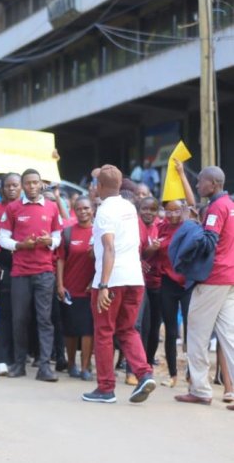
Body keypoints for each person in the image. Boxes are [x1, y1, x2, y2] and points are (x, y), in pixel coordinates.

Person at [83, 165, 156, 403]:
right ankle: (144, 374)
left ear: (101, 187)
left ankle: (106, 388)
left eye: (96, 184)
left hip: (111, 280)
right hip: (134, 278)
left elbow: (109, 247)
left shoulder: (104, 211)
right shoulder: (128, 206)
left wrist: (103, 285)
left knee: (104, 332)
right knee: (127, 329)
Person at [176, 166, 234, 408]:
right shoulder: (230, 204)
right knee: (230, 337)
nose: (198, 186)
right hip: (230, 278)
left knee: (197, 334)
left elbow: (209, 240)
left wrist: (190, 227)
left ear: (213, 184)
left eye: (200, 182)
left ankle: (200, 389)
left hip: (213, 278)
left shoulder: (217, 207)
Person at [0, 169, 62, 382]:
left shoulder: (52, 207)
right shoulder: (13, 208)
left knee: (44, 320)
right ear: (23, 185)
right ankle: (19, 364)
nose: (32, 186)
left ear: (41, 184)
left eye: (35, 183)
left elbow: (58, 237)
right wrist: (20, 245)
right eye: (28, 183)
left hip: (44, 272)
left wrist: (50, 242)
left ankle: (44, 367)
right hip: (20, 273)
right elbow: (3, 239)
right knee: (19, 319)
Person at [150, 199, 191, 387]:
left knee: (191, 331)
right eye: (169, 211)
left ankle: (192, 374)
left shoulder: (190, 227)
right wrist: (154, 248)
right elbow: (151, 254)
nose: (173, 215)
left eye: (177, 210)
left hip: (188, 284)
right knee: (170, 330)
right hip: (167, 282)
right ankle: (173, 374)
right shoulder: (161, 229)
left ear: (183, 210)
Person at [56, 196, 95, 381]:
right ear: (74, 211)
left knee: (88, 330)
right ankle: (71, 364)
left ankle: (85, 366)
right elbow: (61, 259)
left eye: (86, 208)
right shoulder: (68, 232)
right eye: (79, 209)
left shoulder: (99, 233)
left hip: (90, 289)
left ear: (92, 210)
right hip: (70, 289)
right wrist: (60, 284)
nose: (83, 212)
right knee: (70, 330)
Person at [0, 173, 21, 376]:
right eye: (7, 186)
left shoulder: (28, 208)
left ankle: (19, 358)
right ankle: (1, 358)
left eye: (15, 185)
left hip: (28, 267)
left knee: (23, 316)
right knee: (6, 314)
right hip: (4, 268)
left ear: (21, 188)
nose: (11, 189)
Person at [138, 196, 162, 371]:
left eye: (152, 209)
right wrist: (146, 253)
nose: (148, 212)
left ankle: (149, 360)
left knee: (155, 326)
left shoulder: (160, 227)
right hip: (140, 283)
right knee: (142, 325)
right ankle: (140, 364)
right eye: (145, 208)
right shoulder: (134, 226)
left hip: (158, 282)